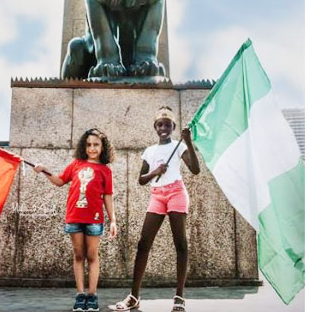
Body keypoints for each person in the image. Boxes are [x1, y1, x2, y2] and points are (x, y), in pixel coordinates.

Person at [110, 106, 200, 312]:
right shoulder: (150, 151)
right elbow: (141, 180)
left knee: (180, 244)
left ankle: (179, 297)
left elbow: (195, 170)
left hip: (176, 193)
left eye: (168, 125)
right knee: (143, 244)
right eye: (160, 125)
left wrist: (188, 142)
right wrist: (155, 171)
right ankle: (134, 296)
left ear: (173, 127)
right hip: (157, 195)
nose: (163, 128)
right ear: (155, 127)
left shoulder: (179, 146)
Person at [34, 128, 118, 312]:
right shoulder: (76, 164)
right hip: (74, 217)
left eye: (96, 145)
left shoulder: (105, 170)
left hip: (94, 219)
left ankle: (92, 296)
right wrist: (44, 170)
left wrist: (113, 220)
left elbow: (108, 196)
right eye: (88, 145)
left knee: (92, 256)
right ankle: (80, 295)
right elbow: (59, 181)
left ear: (103, 147)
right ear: (84, 146)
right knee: (79, 255)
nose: (92, 148)